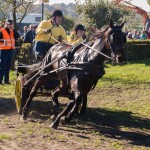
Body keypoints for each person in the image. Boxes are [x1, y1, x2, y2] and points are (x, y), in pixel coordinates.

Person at [0, 19, 15, 85]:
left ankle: (6, 80)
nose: (9, 25)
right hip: (3, 51)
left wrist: (13, 29)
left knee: (8, 66)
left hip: (10, 51)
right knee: (2, 66)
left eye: (11, 24)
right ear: (6, 24)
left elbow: (17, 36)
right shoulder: (2, 30)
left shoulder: (12, 31)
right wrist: (4, 41)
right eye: (8, 24)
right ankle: (0, 81)